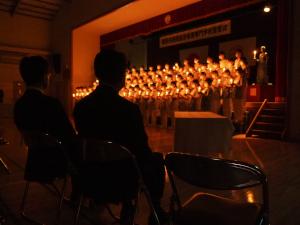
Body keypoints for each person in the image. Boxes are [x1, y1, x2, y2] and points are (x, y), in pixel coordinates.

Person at [73, 49, 168, 225]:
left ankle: (125, 206)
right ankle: (155, 210)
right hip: (121, 179)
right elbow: (141, 149)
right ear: (121, 75)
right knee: (156, 160)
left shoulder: (81, 106)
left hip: (90, 175)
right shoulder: (128, 109)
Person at [14, 56, 76, 181]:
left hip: (34, 162)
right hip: (56, 162)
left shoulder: (19, 105)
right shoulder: (51, 104)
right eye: (48, 75)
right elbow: (69, 136)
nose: (49, 78)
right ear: (44, 77)